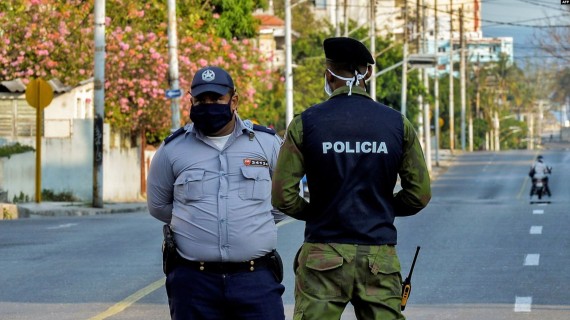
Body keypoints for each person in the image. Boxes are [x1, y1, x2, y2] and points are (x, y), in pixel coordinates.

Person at [271, 37, 432, 320]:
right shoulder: (397, 124)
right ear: (368, 73)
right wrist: (381, 207)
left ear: (328, 74)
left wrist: (318, 211)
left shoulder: (305, 123)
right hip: (379, 259)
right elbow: (419, 194)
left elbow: (282, 195)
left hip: (323, 256)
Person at [147, 66, 285, 320]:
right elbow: (159, 206)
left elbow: (280, 201)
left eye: (216, 99)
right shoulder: (171, 150)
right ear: (191, 101)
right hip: (194, 284)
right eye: (201, 100)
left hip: (256, 281)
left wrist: (250, 225)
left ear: (234, 101)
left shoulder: (267, 144)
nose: (207, 105)